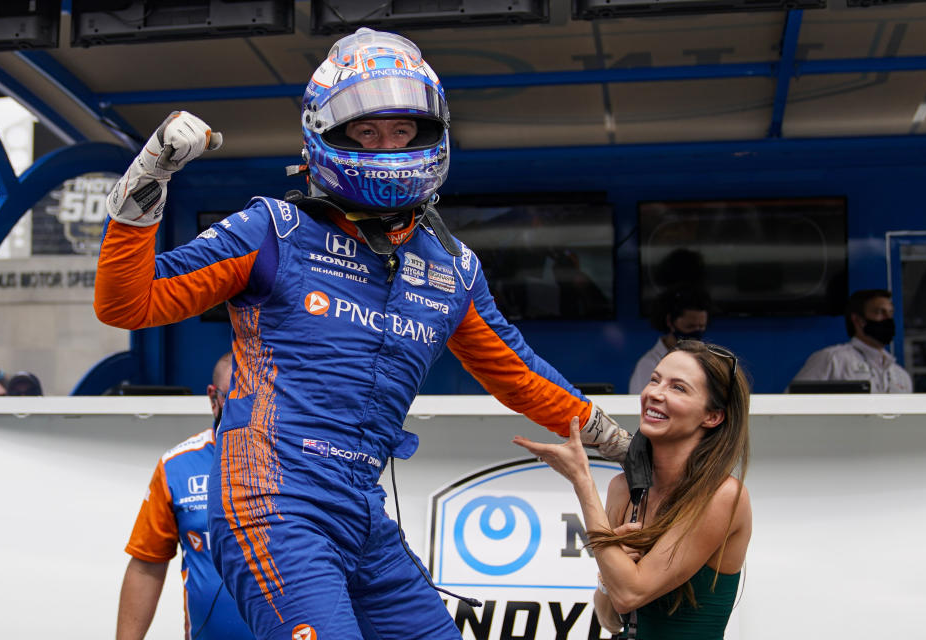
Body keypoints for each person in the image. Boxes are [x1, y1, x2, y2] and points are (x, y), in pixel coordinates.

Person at [94, 27, 643, 640]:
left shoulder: (451, 266)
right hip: (273, 505)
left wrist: (624, 445)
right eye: (366, 131)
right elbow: (127, 302)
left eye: (404, 130)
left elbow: (520, 374)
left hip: (362, 512)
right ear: (326, 135)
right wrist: (151, 173)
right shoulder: (270, 230)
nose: (389, 145)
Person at [516, 340, 752, 639]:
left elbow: (630, 593)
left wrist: (582, 482)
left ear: (713, 416)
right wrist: (609, 576)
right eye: (655, 380)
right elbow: (610, 618)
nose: (655, 393)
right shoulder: (624, 489)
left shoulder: (723, 495)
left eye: (678, 388)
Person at [116, 352, 254, 640]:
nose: (246, 410)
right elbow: (146, 565)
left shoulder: (299, 463)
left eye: (254, 398)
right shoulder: (176, 467)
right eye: (234, 399)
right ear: (213, 398)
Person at [790, 289, 912, 393]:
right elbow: (792, 406)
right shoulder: (833, 359)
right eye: (880, 312)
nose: (888, 319)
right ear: (858, 320)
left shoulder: (900, 375)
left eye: (890, 313)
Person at [629, 286, 711, 394]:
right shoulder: (649, 364)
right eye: (690, 326)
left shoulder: (707, 360)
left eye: (701, 327)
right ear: (670, 322)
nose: (696, 332)